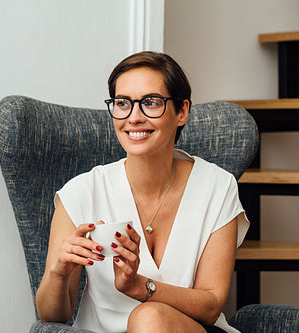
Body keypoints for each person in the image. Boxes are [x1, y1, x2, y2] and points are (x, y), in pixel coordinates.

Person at [35, 51, 250, 333]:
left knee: (149, 319)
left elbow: (210, 307)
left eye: (150, 102)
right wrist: (59, 273)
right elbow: (54, 318)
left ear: (182, 111)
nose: (134, 118)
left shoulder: (217, 187)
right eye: (122, 103)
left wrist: (140, 287)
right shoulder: (80, 194)